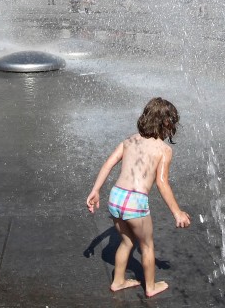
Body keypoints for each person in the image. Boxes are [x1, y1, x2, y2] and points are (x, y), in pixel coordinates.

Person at [86, 97, 191, 298]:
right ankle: (151, 287)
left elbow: (109, 164)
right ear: (167, 123)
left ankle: (118, 281)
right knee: (147, 245)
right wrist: (177, 212)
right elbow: (162, 183)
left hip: (116, 197)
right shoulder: (164, 150)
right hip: (135, 202)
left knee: (126, 241)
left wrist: (96, 190)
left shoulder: (129, 140)